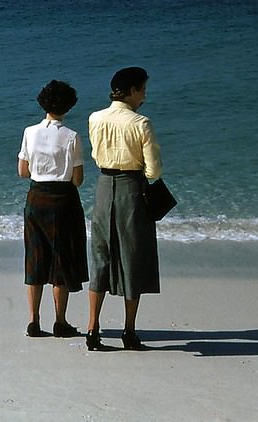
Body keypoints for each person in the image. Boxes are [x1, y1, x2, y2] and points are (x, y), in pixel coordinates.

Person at [86, 66, 163, 351]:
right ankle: (129, 331)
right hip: (131, 186)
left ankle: (92, 328)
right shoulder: (141, 123)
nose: (144, 94)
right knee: (133, 256)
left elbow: (95, 154)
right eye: (142, 89)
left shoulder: (95, 118)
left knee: (101, 255)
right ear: (131, 91)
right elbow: (153, 170)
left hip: (104, 186)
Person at [18, 80, 88, 338]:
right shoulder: (72, 136)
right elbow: (78, 179)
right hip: (64, 199)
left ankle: (34, 321)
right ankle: (60, 320)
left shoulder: (29, 132)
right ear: (68, 106)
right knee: (61, 258)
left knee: (35, 258)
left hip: (37, 197)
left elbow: (23, 172)